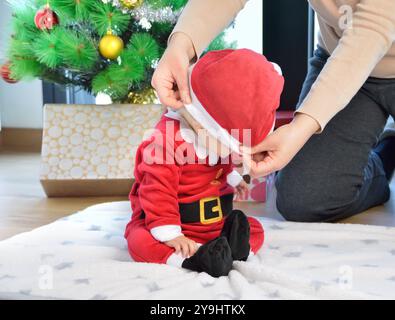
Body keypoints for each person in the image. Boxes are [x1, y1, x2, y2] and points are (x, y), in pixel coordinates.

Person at [151, 0, 395, 222]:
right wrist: (182, 44)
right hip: (341, 56)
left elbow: (372, 29)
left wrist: (302, 127)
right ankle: (387, 151)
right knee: (304, 197)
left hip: (366, 46)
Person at [125, 48, 284, 277]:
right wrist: (172, 235)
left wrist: (233, 178)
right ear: (200, 122)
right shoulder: (164, 142)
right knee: (139, 239)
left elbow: (221, 164)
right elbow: (156, 192)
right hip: (176, 224)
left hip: (215, 223)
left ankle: (234, 249)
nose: (234, 152)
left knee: (255, 228)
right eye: (230, 144)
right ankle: (195, 261)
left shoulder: (214, 141)